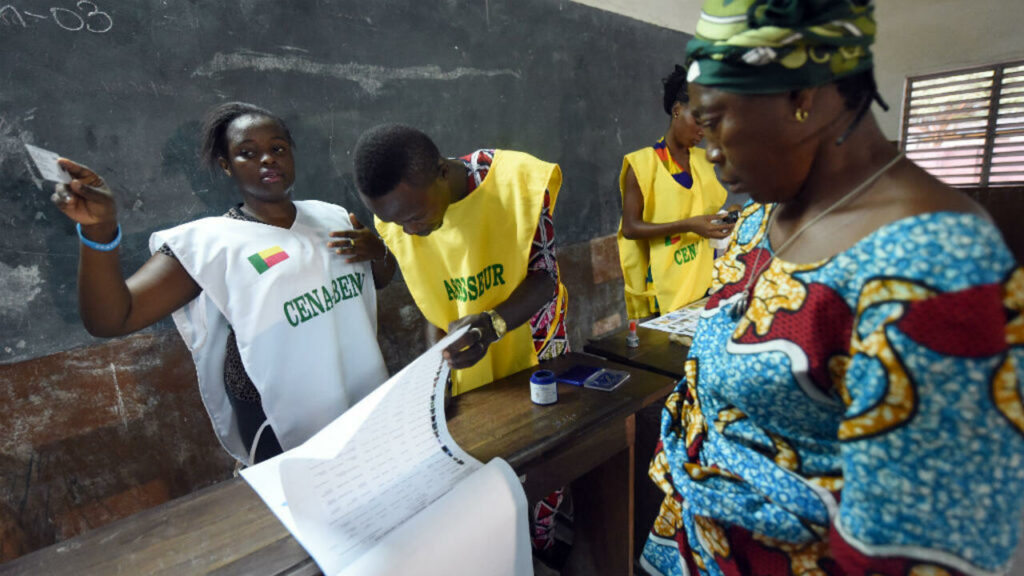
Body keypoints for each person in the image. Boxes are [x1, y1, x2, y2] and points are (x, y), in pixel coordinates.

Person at [640, 2, 1024, 576]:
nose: (710, 150)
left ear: (801, 96)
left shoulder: (937, 267)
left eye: (716, 120)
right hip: (691, 535)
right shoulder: (756, 220)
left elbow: (905, 548)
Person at [51, 102, 394, 466]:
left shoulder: (332, 216)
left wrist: (378, 252)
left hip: (360, 392)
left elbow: (377, 280)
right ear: (226, 165)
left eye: (277, 148)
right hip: (276, 418)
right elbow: (113, 319)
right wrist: (98, 230)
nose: (267, 159)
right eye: (248, 153)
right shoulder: (211, 244)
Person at [352, 125, 570, 556]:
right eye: (395, 223)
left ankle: (543, 546)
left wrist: (491, 326)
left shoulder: (515, 183)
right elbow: (431, 293)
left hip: (532, 339)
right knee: (481, 464)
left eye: (413, 218)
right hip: (468, 356)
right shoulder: (398, 211)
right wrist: (437, 366)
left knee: (546, 457)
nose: (409, 231)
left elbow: (545, 280)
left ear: (439, 173)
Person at [618, 65, 734, 320]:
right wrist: (688, 226)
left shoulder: (704, 161)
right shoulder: (643, 165)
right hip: (664, 289)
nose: (703, 132)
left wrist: (728, 216)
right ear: (677, 109)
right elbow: (630, 228)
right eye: (699, 121)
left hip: (702, 282)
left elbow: (706, 211)